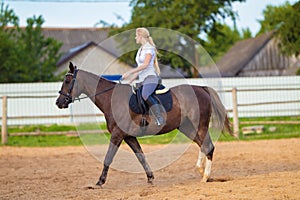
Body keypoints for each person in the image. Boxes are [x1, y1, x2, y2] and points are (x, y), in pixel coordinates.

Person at [122, 27, 165, 126]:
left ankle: (160, 117)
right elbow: (140, 68)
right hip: (142, 79)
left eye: (136, 36)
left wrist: (129, 72)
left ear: (140, 36)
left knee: (145, 95)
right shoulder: (140, 50)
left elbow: (145, 65)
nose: (135, 38)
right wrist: (130, 81)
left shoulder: (149, 48)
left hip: (151, 78)